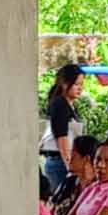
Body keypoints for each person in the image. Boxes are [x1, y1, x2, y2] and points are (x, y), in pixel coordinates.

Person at [40, 63, 86, 191]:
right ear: (65, 84)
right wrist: (70, 166)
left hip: (64, 160)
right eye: (77, 84)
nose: (80, 88)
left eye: (82, 84)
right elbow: (62, 137)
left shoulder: (69, 105)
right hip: (60, 162)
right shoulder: (60, 104)